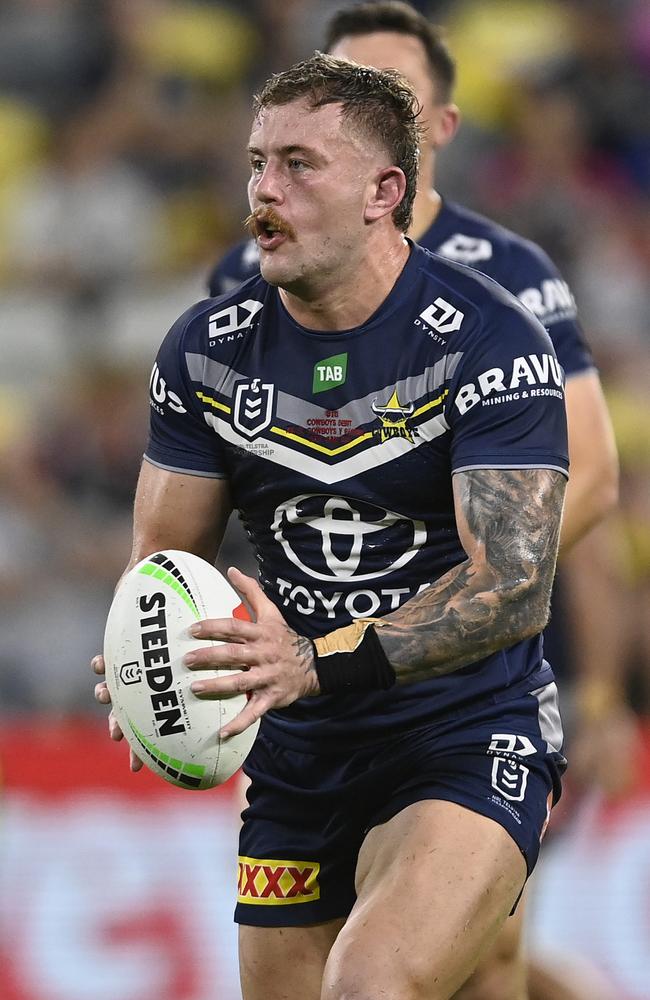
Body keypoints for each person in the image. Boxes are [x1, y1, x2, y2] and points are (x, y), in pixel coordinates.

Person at [95, 51, 571, 1000]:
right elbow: (163, 564)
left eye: (300, 164)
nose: (263, 192)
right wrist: (144, 661)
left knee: (369, 986)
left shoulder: (488, 340)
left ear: (383, 190)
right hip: (298, 752)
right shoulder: (206, 353)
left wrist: (313, 660)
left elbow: (511, 588)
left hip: (466, 732)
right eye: (256, 162)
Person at [204, 9, 620, 995]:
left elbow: (591, 480)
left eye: (392, 93)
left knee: (477, 960)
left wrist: (451, 605)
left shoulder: (508, 280)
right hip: (306, 688)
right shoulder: (246, 277)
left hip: (470, 678)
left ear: (432, 127)